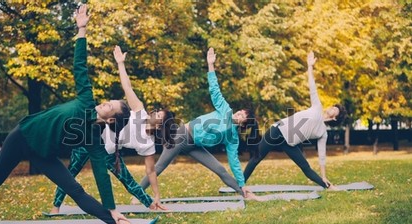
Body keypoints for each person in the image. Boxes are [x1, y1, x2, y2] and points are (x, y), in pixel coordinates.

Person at [0, 4, 140, 224]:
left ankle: (115, 223)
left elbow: (101, 174)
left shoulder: (93, 139)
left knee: (75, 190)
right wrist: (82, 30)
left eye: (109, 106)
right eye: (108, 101)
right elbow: (80, 66)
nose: (104, 102)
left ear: (110, 121)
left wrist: (113, 209)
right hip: (23, 136)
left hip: (42, 153)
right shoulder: (87, 98)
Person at [48, 45, 176, 213]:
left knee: (128, 181)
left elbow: (151, 171)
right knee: (71, 172)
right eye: (158, 110)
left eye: (160, 115)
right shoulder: (139, 111)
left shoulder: (148, 144)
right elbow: (127, 87)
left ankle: (153, 204)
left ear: (160, 126)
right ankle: (55, 207)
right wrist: (121, 64)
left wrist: (157, 194)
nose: (156, 112)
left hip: (110, 152)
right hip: (91, 137)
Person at [135, 48, 259, 201]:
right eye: (239, 112)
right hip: (182, 135)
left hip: (195, 146)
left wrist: (242, 182)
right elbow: (215, 90)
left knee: (220, 169)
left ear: (243, 124)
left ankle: (244, 193)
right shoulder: (225, 109)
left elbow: (234, 161)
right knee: (160, 166)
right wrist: (210, 65)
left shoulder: (232, 137)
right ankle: (137, 193)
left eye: (242, 116)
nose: (238, 114)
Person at [243, 51, 347, 190]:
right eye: (333, 106)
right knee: (257, 157)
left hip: (290, 143)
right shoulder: (317, 107)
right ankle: (240, 184)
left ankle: (326, 185)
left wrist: (324, 174)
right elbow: (312, 87)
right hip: (278, 131)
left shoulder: (323, 133)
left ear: (334, 117)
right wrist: (309, 66)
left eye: (335, 110)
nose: (331, 108)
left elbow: (322, 155)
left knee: (306, 168)